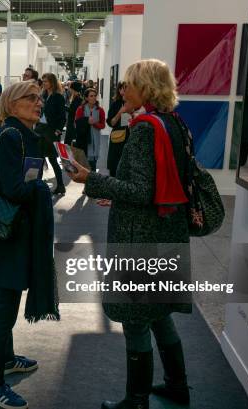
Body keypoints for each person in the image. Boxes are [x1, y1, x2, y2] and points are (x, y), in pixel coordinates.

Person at [67, 59, 192, 409]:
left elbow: (139, 190)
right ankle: (177, 386)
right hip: (167, 230)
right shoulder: (174, 123)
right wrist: (115, 189)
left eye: (129, 84)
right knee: (159, 312)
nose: (124, 90)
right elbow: (153, 186)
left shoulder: (144, 128)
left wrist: (90, 179)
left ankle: (136, 402)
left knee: (137, 319)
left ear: (146, 88)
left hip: (141, 235)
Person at [0, 80, 59, 409]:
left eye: (39, 98)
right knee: (4, 311)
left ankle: (6, 359)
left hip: (13, 234)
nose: (38, 103)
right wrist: (41, 190)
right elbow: (12, 190)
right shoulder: (10, 137)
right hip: (6, 235)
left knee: (6, 304)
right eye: (30, 98)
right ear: (11, 103)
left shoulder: (20, 136)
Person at [38, 73, 67, 195]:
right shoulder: (43, 95)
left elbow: (62, 116)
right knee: (38, 158)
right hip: (40, 129)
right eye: (43, 81)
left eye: (46, 81)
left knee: (52, 159)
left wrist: (58, 130)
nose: (44, 83)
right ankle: (37, 185)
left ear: (52, 82)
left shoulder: (58, 97)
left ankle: (60, 185)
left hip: (51, 131)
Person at [74, 88, 106, 172]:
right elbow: (76, 124)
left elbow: (103, 125)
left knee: (93, 165)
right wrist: (86, 121)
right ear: (86, 98)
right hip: (84, 140)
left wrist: (94, 123)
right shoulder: (81, 109)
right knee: (84, 167)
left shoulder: (100, 110)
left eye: (95, 96)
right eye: (91, 96)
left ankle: (93, 182)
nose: (94, 98)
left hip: (95, 141)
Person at [107, 81, 132, 177]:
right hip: (118, 139)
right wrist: (120, 113)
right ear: (119, 90)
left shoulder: (133, 104)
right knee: (115, 166)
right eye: (123, 88)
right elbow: (111, 123)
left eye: (127, 88)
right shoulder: (116, 104)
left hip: (130, 138)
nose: (125, 90)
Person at [64, 81, 83, 146]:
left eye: (70, 88)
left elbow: (73, 111)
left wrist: (63, 107)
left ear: (73, 89)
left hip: (73, 122)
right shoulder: (76, 97)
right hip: (71, 121)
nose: (69, 89)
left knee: (70, 141)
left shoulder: (78, 99)